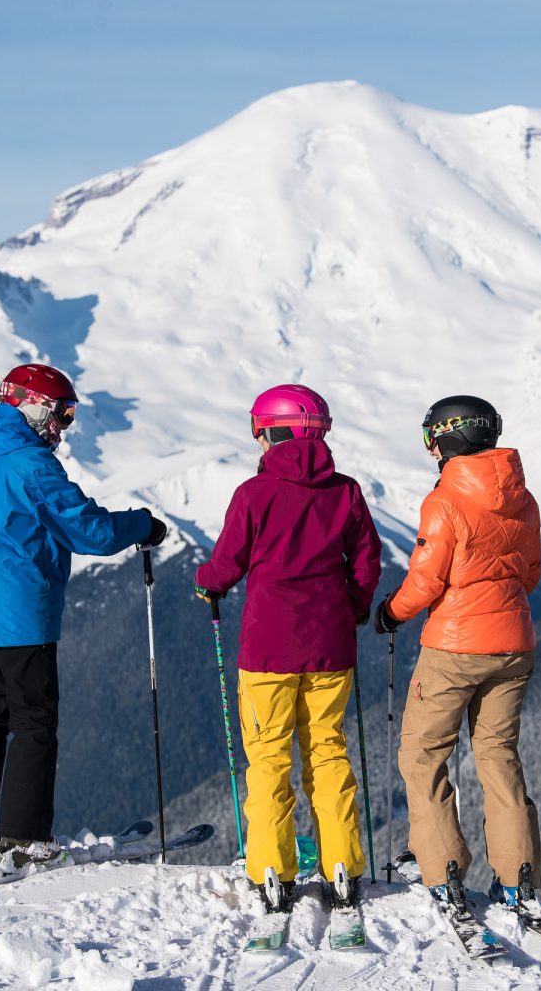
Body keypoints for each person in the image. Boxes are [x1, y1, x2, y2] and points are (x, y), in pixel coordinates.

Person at [0, 363, 165, 867]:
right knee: (35, 721)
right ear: (33, 404)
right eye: (61, 413)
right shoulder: (31, 464)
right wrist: (143, 526)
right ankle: (23, 838)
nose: (63, 426)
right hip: (20, 612)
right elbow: (89, 531)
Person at [195, 383, 382, 912]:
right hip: (330, 646)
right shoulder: (345, 492)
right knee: (327, 751)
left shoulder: (254, 494)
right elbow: (366, 562)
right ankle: (340, 865)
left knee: (269, 759)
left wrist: (207, 582)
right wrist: (356, 606)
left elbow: (227, 563)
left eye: (260, 433)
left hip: (268, 650)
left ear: (274, 432)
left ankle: (272, 870)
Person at [374, 394, 541, 915]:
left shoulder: (446, 500)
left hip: (453, 647)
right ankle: (518, 878)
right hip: (514, 643)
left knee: (423, 754)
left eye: (431, 439)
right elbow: (531, 573)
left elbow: (426, 579)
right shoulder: (523, 496)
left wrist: (391, 614)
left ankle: (441, 865)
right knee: (498, 756)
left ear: (445, 438)